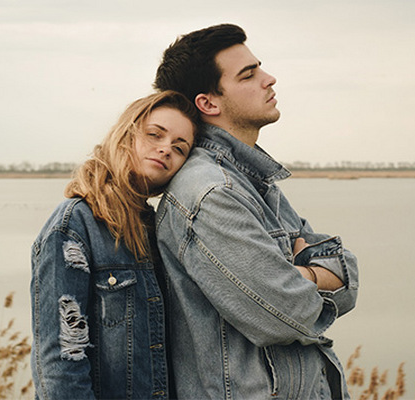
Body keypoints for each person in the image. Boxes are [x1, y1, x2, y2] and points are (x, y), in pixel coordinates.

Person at [153, 24, 359, 399]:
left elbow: (348, 276)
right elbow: (285, 312)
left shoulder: (256, 184)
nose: (269, 79)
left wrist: (299, 275)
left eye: (259, 68)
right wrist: (314, 273)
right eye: (249, 75)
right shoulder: (211, 193)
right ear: (209, 103)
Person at [30, 90, 199, 399]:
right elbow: (60, 366)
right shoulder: (74, 224)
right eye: (154, 135)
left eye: (180, 148)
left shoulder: (157, 227)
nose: (165, 150)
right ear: (126, 135)